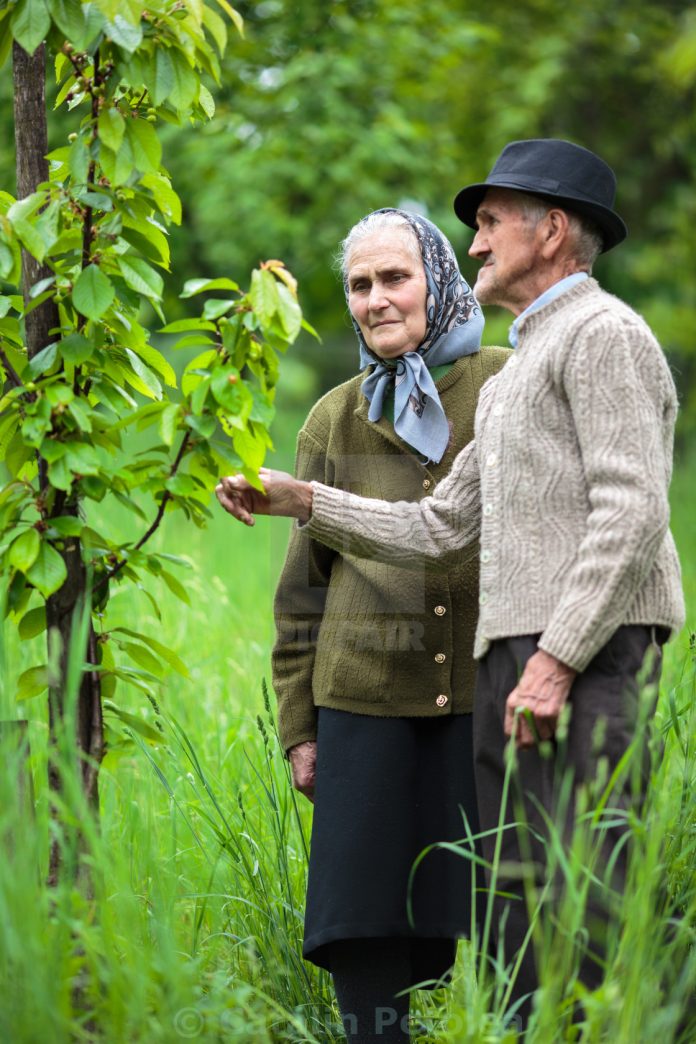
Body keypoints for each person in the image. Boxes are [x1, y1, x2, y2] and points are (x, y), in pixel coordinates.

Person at [216, 141, 685, 1025]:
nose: (475, 246)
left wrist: (553, 661)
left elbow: (632, 511)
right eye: (358, 286)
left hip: (571, 663)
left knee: (577, 914)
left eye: (491, 225)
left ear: (551, 232)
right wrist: (302, 498)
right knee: (527, 926)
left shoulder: (600, 337)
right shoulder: (523, 369)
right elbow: (438, 527)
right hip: (514, 670)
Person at [263, 207, 510, 1043]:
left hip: (484, 698)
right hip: (361, 705)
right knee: (364, 913)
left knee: (485, 909)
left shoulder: (505, 382)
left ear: (437, 281)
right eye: (360, 284)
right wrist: (300, 728)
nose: (375, 300)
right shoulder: (333, 418)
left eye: (394, 278)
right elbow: (302, 593)